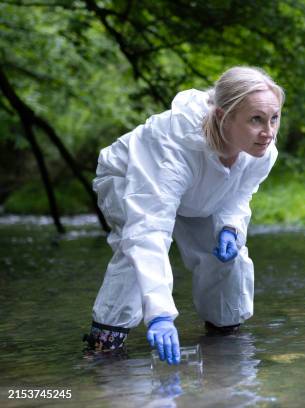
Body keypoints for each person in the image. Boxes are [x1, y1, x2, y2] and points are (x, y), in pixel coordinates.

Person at [82, 66, 283, 365]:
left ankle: (225, 341)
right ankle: (104, 347)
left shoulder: (262, 148)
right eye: (256, 119)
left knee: (229, 256)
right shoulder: (173, 146)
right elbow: (149, 231)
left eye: (274, 118)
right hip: (129, 178)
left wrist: (230, 226)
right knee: (133, 252)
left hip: (196, 193)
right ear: (222, 117)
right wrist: (160, 315)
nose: (268, 132)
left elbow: (240, 192)